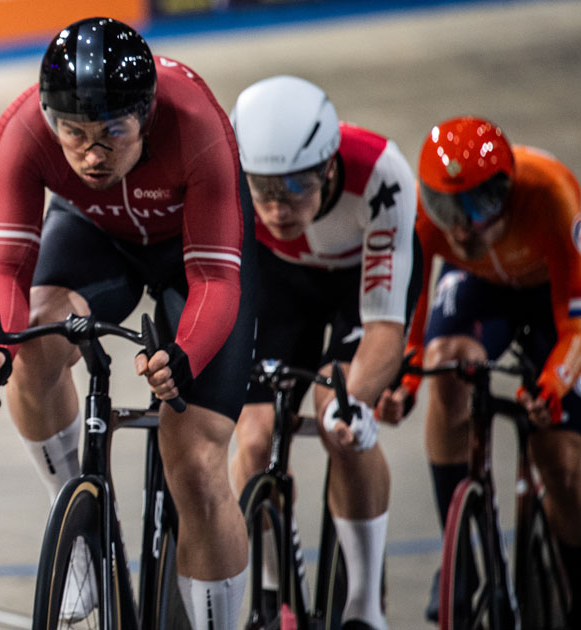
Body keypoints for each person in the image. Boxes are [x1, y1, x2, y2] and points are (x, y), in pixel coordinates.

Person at [0, 17, 257, 629]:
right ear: (50, 117)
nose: (92, 153)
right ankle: (81, 530)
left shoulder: (196, 123)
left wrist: (186, 354)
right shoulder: (23, 130)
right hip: (98, 238)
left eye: (112, 132)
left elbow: (218, 282)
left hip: (190, 254)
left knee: (195, 465)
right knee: (34, 345)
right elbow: (6, 269)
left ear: (144, 116)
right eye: (74, 133)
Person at [228, 75, 421, 630]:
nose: (276, 206)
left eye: (294, 187)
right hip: (282, 283)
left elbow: (385, 327)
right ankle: (273, 595)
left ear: (330, 167)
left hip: (354, 287)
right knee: (256, 436)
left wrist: (353, 402)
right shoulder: (232, 177)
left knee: (337, 420)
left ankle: (364, 606)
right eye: (261, 188)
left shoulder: (382, 175)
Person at [375, 116, 581, 625]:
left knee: (559, 458)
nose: (462, 225)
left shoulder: (552, 195)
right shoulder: (427, 217)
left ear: (508, 192)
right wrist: (404, 381)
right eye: (448, 208)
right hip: (481, 287)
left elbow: (574, 328)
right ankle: (460, 550)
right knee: (446, 369)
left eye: (479, 206)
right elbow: (412, 321)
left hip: (554, 297)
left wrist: (555, 382)